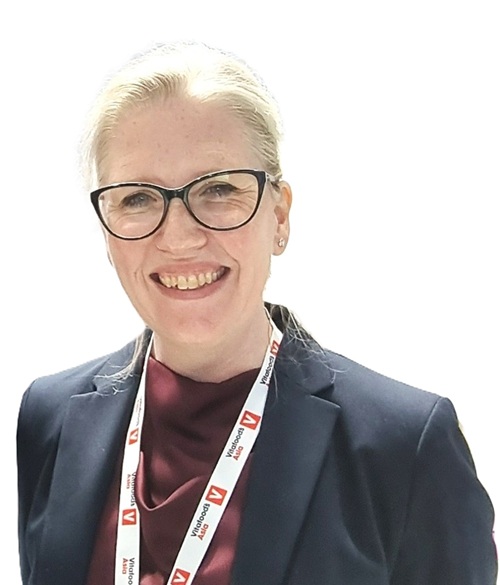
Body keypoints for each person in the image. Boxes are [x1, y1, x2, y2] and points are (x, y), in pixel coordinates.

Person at [17, 41, 497, 585]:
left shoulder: (404, 449)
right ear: (107, 230)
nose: (179, 238)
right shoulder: (50, 419)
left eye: (219, 189)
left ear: (280, 216)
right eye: (137, 198)